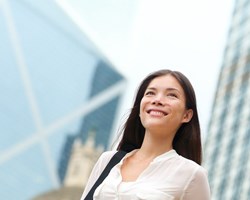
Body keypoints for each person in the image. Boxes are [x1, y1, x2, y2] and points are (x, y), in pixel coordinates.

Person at [80, 69, 211, 200]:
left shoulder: (192, 175)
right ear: (140, 109)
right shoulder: (107, 161)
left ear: (186, 115)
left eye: (171, 95)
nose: (157, 100)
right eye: (150, 93)